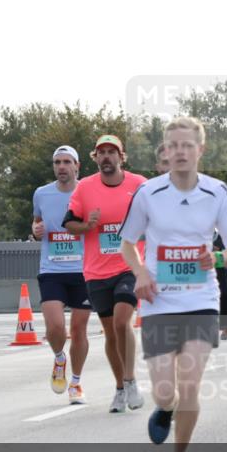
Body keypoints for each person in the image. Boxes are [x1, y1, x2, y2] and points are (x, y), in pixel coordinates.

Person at [120, 116, 227, 452]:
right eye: (173, 145)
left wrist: (218, 259)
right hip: (159, 301)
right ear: (166, 151)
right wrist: (140, 272)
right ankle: (164, 408)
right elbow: (127, 243)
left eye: (187, 145)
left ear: (200, 150)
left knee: (190, 385)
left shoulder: (217, 192)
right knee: (165, 390)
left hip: (202, 299)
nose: (180, 151)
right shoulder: (148, 193)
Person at [63, 135, 145, 413]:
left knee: (123, 322)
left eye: (112, 152)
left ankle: (131, 381)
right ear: (95, 158)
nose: (107, 157)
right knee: (110, 332)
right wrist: (87, 226)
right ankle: (120, 388)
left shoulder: (139, 185)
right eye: (102, 153)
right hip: (96, 271)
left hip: (129, 266)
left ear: (122, 157)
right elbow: (69, 223)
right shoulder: (85, 187)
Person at [32, 145, 92, 404]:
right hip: (52, 269)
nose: (62, 167)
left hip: (83, 270)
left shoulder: (88, 191)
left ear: (77, 166)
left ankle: (76, 383)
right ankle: (59, 358)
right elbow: (36, 223)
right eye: (57, 162)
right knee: (55, 326)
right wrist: (36, 230)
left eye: (67, 162)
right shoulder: (41, 194)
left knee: (78, 330)